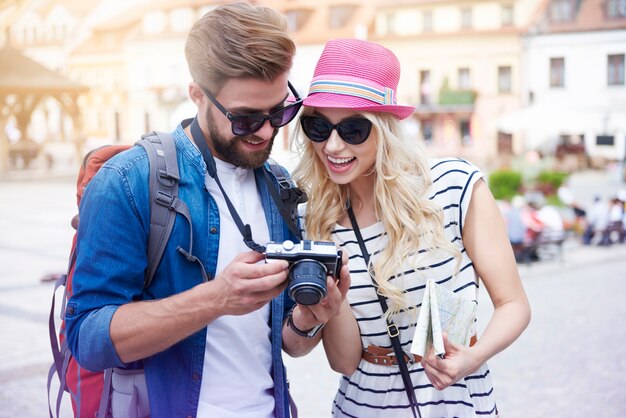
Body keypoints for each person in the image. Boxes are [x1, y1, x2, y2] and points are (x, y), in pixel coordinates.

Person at [64, 4, 349, 418]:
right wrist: (216, 298)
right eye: (246, 118)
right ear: (197, 93)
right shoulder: (128, 181)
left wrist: (311, 317)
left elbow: (288, 344)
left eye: (280, 112)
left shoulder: (279, 185)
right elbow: (88, 340)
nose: (267, 131)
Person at [291, 38, 531, 417]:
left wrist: (472, 357)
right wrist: (333, 303)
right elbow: (345, 362)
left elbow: (514, 304)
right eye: (318, 126)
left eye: (353, 129)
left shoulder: (455, 187)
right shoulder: (315, 220)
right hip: (361, 405)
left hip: (453, 402)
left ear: (384, 129)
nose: (332, 146)